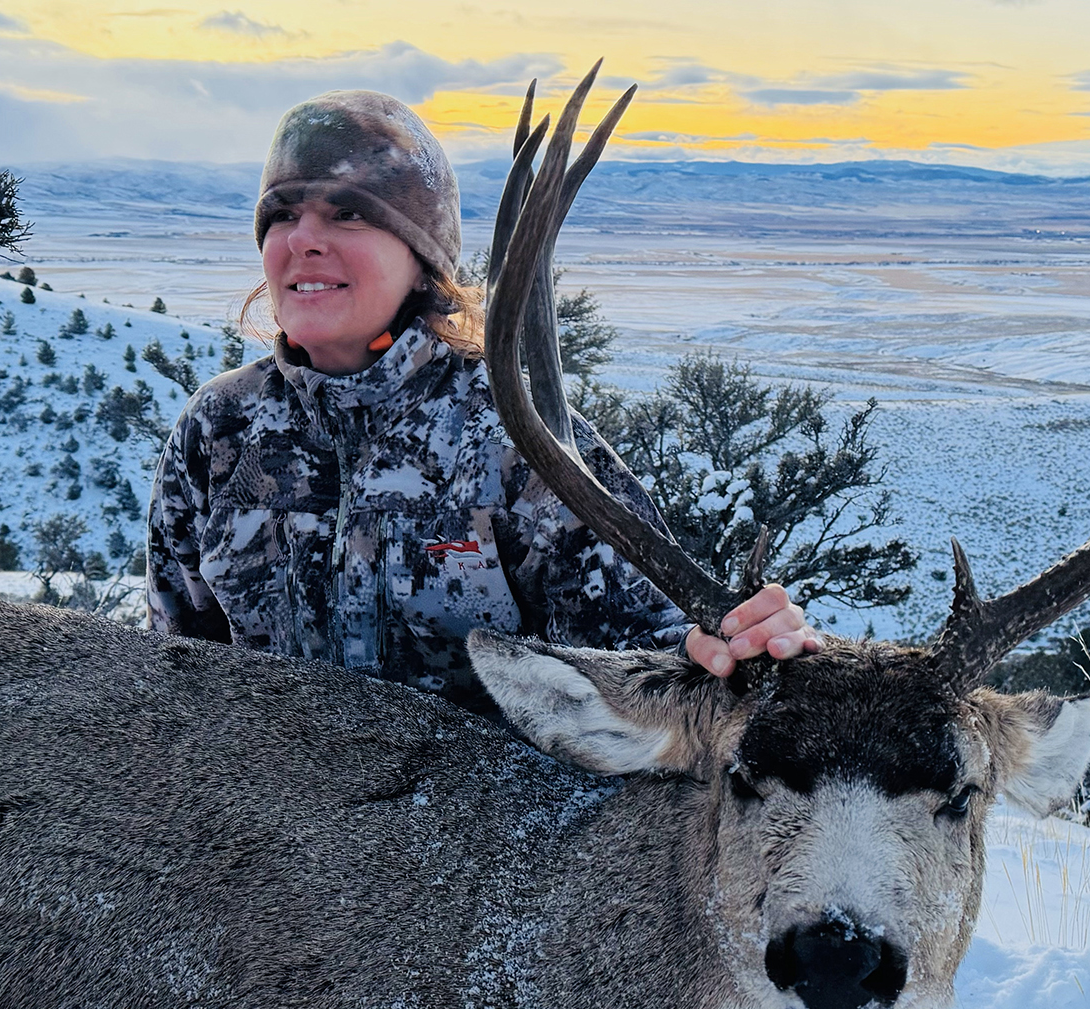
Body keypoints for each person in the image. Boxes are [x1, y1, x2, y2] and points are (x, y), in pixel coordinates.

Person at [146, 89, 819, 713]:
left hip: (475, 830)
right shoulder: (219, 430)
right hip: (268, 821)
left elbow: (647, 648)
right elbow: (178, 670)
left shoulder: (516, 439)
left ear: (422, 256)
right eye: (283, 214)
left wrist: (729, 647)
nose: (302, 239)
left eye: (348, 213)